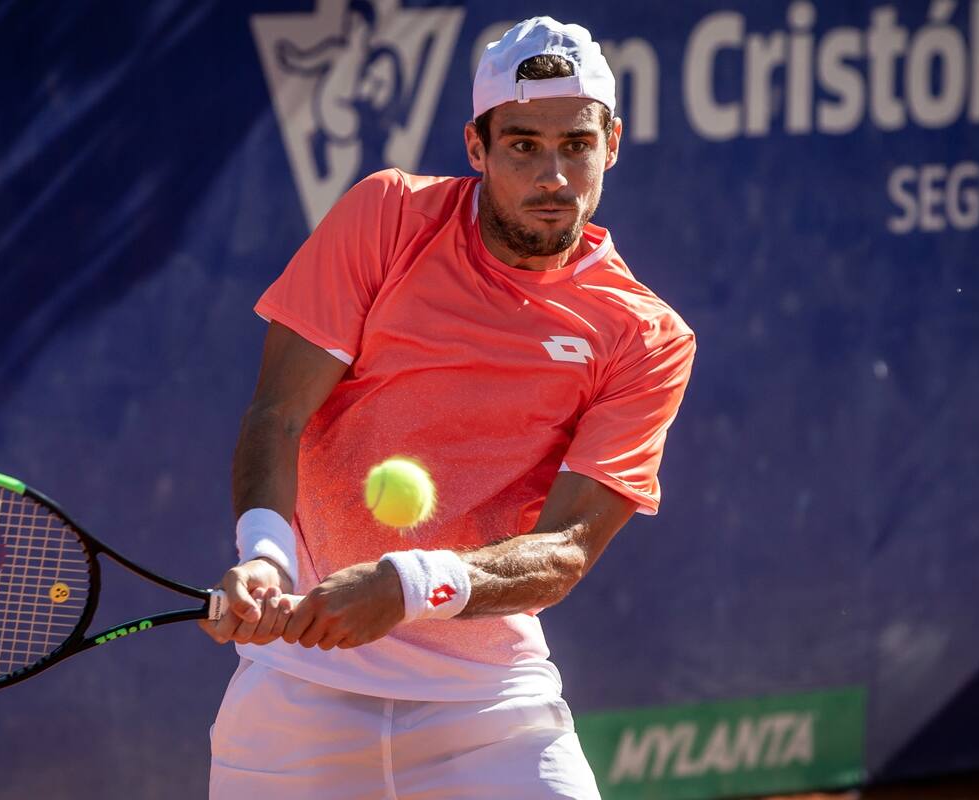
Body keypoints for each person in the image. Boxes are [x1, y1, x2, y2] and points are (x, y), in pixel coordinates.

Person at [200, 15, 695, 799]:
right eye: (523, 144)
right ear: (476, 146)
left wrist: (407, 584)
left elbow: (565, 550)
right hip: (295, 699)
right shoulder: (388, 217)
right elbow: (277, 415)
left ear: (612, 144)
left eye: (576, 144)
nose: (554, 174)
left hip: (489, 703)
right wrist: (265, 554)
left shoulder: (644, 336)